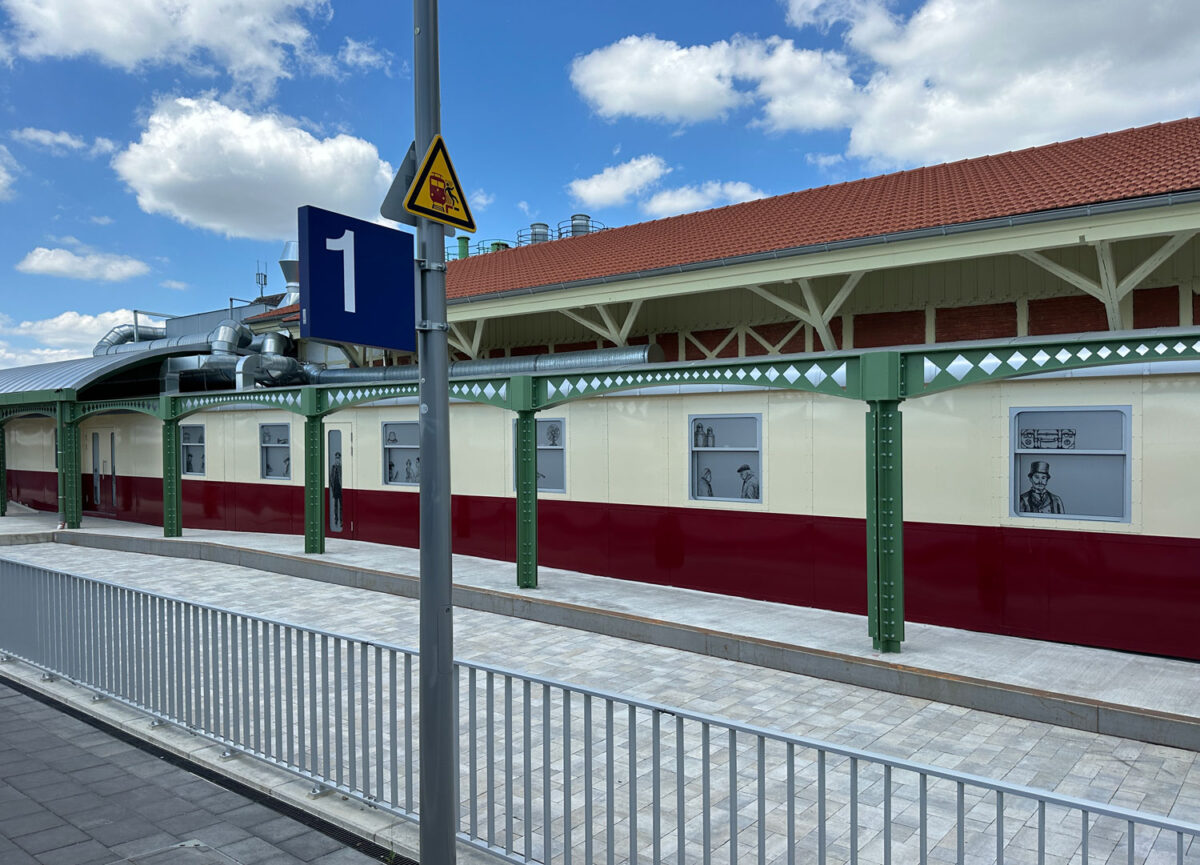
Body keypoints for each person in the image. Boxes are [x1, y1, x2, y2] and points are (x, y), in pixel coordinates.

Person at [329, 452, 343, 525]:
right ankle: (336, 519)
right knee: (335, 505)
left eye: (338, 458)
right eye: (336, 458)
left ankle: (341, 520)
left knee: (341, 506)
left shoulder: (341, 467)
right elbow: (331, 478)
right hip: (335, 489)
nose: (337, 460)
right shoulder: (333, 467)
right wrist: (332, 487)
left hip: (340, 489)